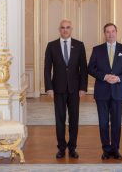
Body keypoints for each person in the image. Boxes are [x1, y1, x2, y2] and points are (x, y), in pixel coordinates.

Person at [88, 23, 122, 160]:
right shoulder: (97, 50)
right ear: (104, 34)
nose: (110, 34)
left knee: (116, 122)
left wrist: (119, 78)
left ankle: (115, 149)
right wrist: (104, 76)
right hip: (102, 92)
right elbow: (90, 68)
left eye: (113, 31)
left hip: (118, 91)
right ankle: (106, 149)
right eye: (107, 32)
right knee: (103, 123)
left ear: (116, 32)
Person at [44, 19, 88, 159]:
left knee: (74, 119)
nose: (65, 30)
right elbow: (47, 69)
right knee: (60, 120)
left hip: (75, 89)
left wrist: (83, 87)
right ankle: (61, 148)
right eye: (62, 27)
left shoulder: (79, 45)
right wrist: (49, 88)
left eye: (68, 27)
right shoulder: (51, 46)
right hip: (58, 88)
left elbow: (84, 69)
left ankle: (73, 148)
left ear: (71, 29)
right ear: (59, 29)